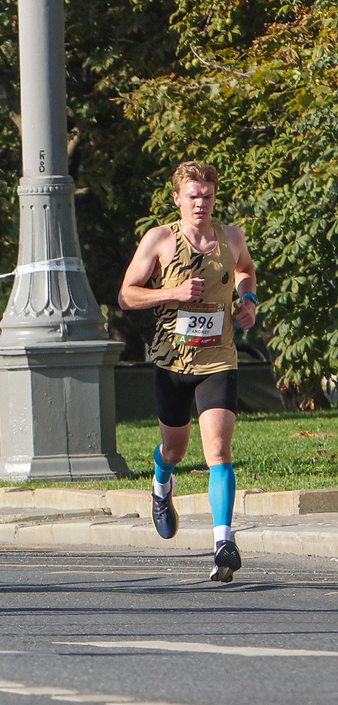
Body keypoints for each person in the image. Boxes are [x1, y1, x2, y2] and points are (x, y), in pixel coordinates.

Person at [119, 160, 258, 581]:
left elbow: (245, 270)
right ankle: (162, 485)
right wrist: (173, 293)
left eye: (208, 196)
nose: (201, 203)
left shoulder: (230, 237)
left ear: (215, 198)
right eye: (193, 196)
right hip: (171, 361)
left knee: (218, 451)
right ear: (177, 198)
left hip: (219, 358)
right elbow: (127, 295)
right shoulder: (160, 239)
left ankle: (223, 542)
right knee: (175, 450)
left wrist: (248, 300)